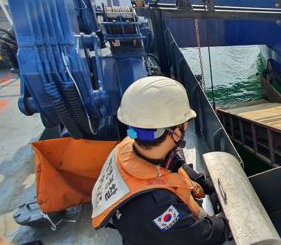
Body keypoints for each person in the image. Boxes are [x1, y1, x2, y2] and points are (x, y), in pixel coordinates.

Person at [91, 76, 229, 245]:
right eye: (184, 124)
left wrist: (202, 182)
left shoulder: (126, 146)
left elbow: (171, 162)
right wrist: (230, 217)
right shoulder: (156, 206)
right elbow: (202, 237)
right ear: (175, 133)